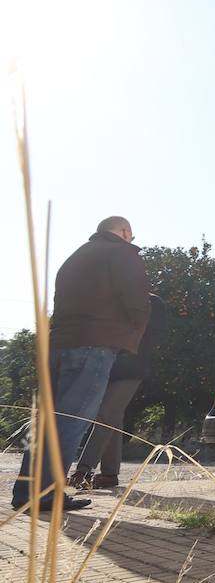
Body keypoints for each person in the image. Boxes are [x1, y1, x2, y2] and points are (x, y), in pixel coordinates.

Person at [12, 217, 151, 512]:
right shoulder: (123, 253)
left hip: (58, 345)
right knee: (70, 423)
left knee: (44, 422)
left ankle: (26, 493)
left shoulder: (75, 257)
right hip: (93, 347)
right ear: (124, 232)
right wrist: (133, 334)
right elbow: (138, 301)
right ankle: (48, 495)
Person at [70, 293, 170, 489]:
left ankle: (83, 471)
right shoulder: (113, 300)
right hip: (106, 366)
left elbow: (151, 334)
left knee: (106, 414)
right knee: (113, 418)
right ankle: (109, 474)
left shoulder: (152, 302)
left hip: (132, 367)